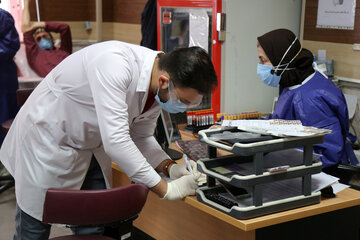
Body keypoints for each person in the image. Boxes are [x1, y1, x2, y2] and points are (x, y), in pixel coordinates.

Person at [0, 41, 218, 239]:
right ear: (164, 82)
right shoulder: (114, 64)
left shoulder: (157, 86)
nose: (183, 108)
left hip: (91, 145)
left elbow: (141, 135)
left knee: (93, 225)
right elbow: (116, 140)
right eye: (183, 101)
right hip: (48, 141)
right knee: (34, 227)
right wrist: (166, 189)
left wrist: (170, 168)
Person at [256, 28, 358, 172]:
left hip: (320, 172)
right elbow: (280, 120)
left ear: (281, 59)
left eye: (263, 60)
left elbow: (327, 152)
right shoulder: (293, 82)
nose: (260, 66)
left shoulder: (312, 99)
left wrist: (283, 156)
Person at [21, 0, 72, 77]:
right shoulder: (35, 55)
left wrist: (39, 25)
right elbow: (26, 28)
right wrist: (26, 2)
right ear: (36, 44)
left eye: (45, 36)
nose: (42, 40)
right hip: (55, 85)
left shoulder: (64, 51)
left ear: (53, 40)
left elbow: (65, 28)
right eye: (38, 39)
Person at [0, 7, 20, 145]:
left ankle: (4, 153)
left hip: (3, 74)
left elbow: (10, 45)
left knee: (5, 113)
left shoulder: (2, 17)